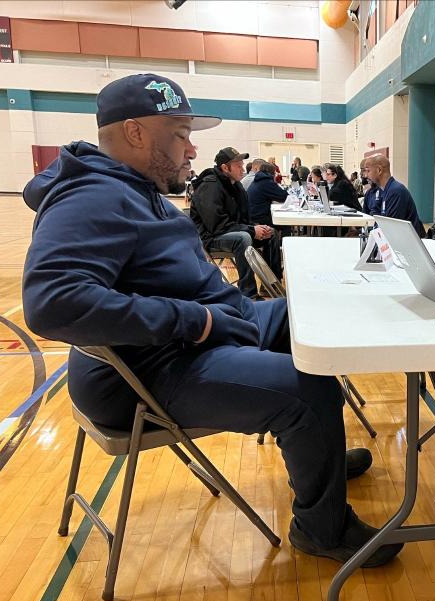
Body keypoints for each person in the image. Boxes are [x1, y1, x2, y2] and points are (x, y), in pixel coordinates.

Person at [21, 73, 402, 568]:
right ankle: (321, 528)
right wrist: (193, 320)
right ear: (136, 133)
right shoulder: (91, 197)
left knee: (314, 317)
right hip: (147, 371)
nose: (192, 149)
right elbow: (51, 301)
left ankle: (319, 455)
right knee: (308, 388)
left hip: (203, 331)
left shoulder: (135, 185)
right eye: (180, 133)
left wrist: (207, 318)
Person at [189, 146, 273, 299]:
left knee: (271, 234)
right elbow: (217, 226)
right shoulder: (210, 186)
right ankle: (249, 294)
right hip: (209, 237)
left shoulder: (237, 186)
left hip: (229, 230)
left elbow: (243, 219)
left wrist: (256, 228)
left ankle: (270, 286)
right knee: (243, 238)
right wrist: (251, 231)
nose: (243, 169)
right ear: (225, 168)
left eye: (242, 165)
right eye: (238, 166)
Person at [365, 154, 425, 236]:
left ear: (379, 170)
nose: (366, 175)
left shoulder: (395, 191)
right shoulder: (385, 190)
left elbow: (390, 230)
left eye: (368, 171)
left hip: (409, 243)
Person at [246, 161, 289, 272]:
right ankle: (282, 262)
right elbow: (283, 196)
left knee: (280, 226)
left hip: (252, 218)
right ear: (272, 173)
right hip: (258, 220)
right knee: (285, 226)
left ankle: (280, 260)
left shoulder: (258, 180)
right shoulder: (266, 182)